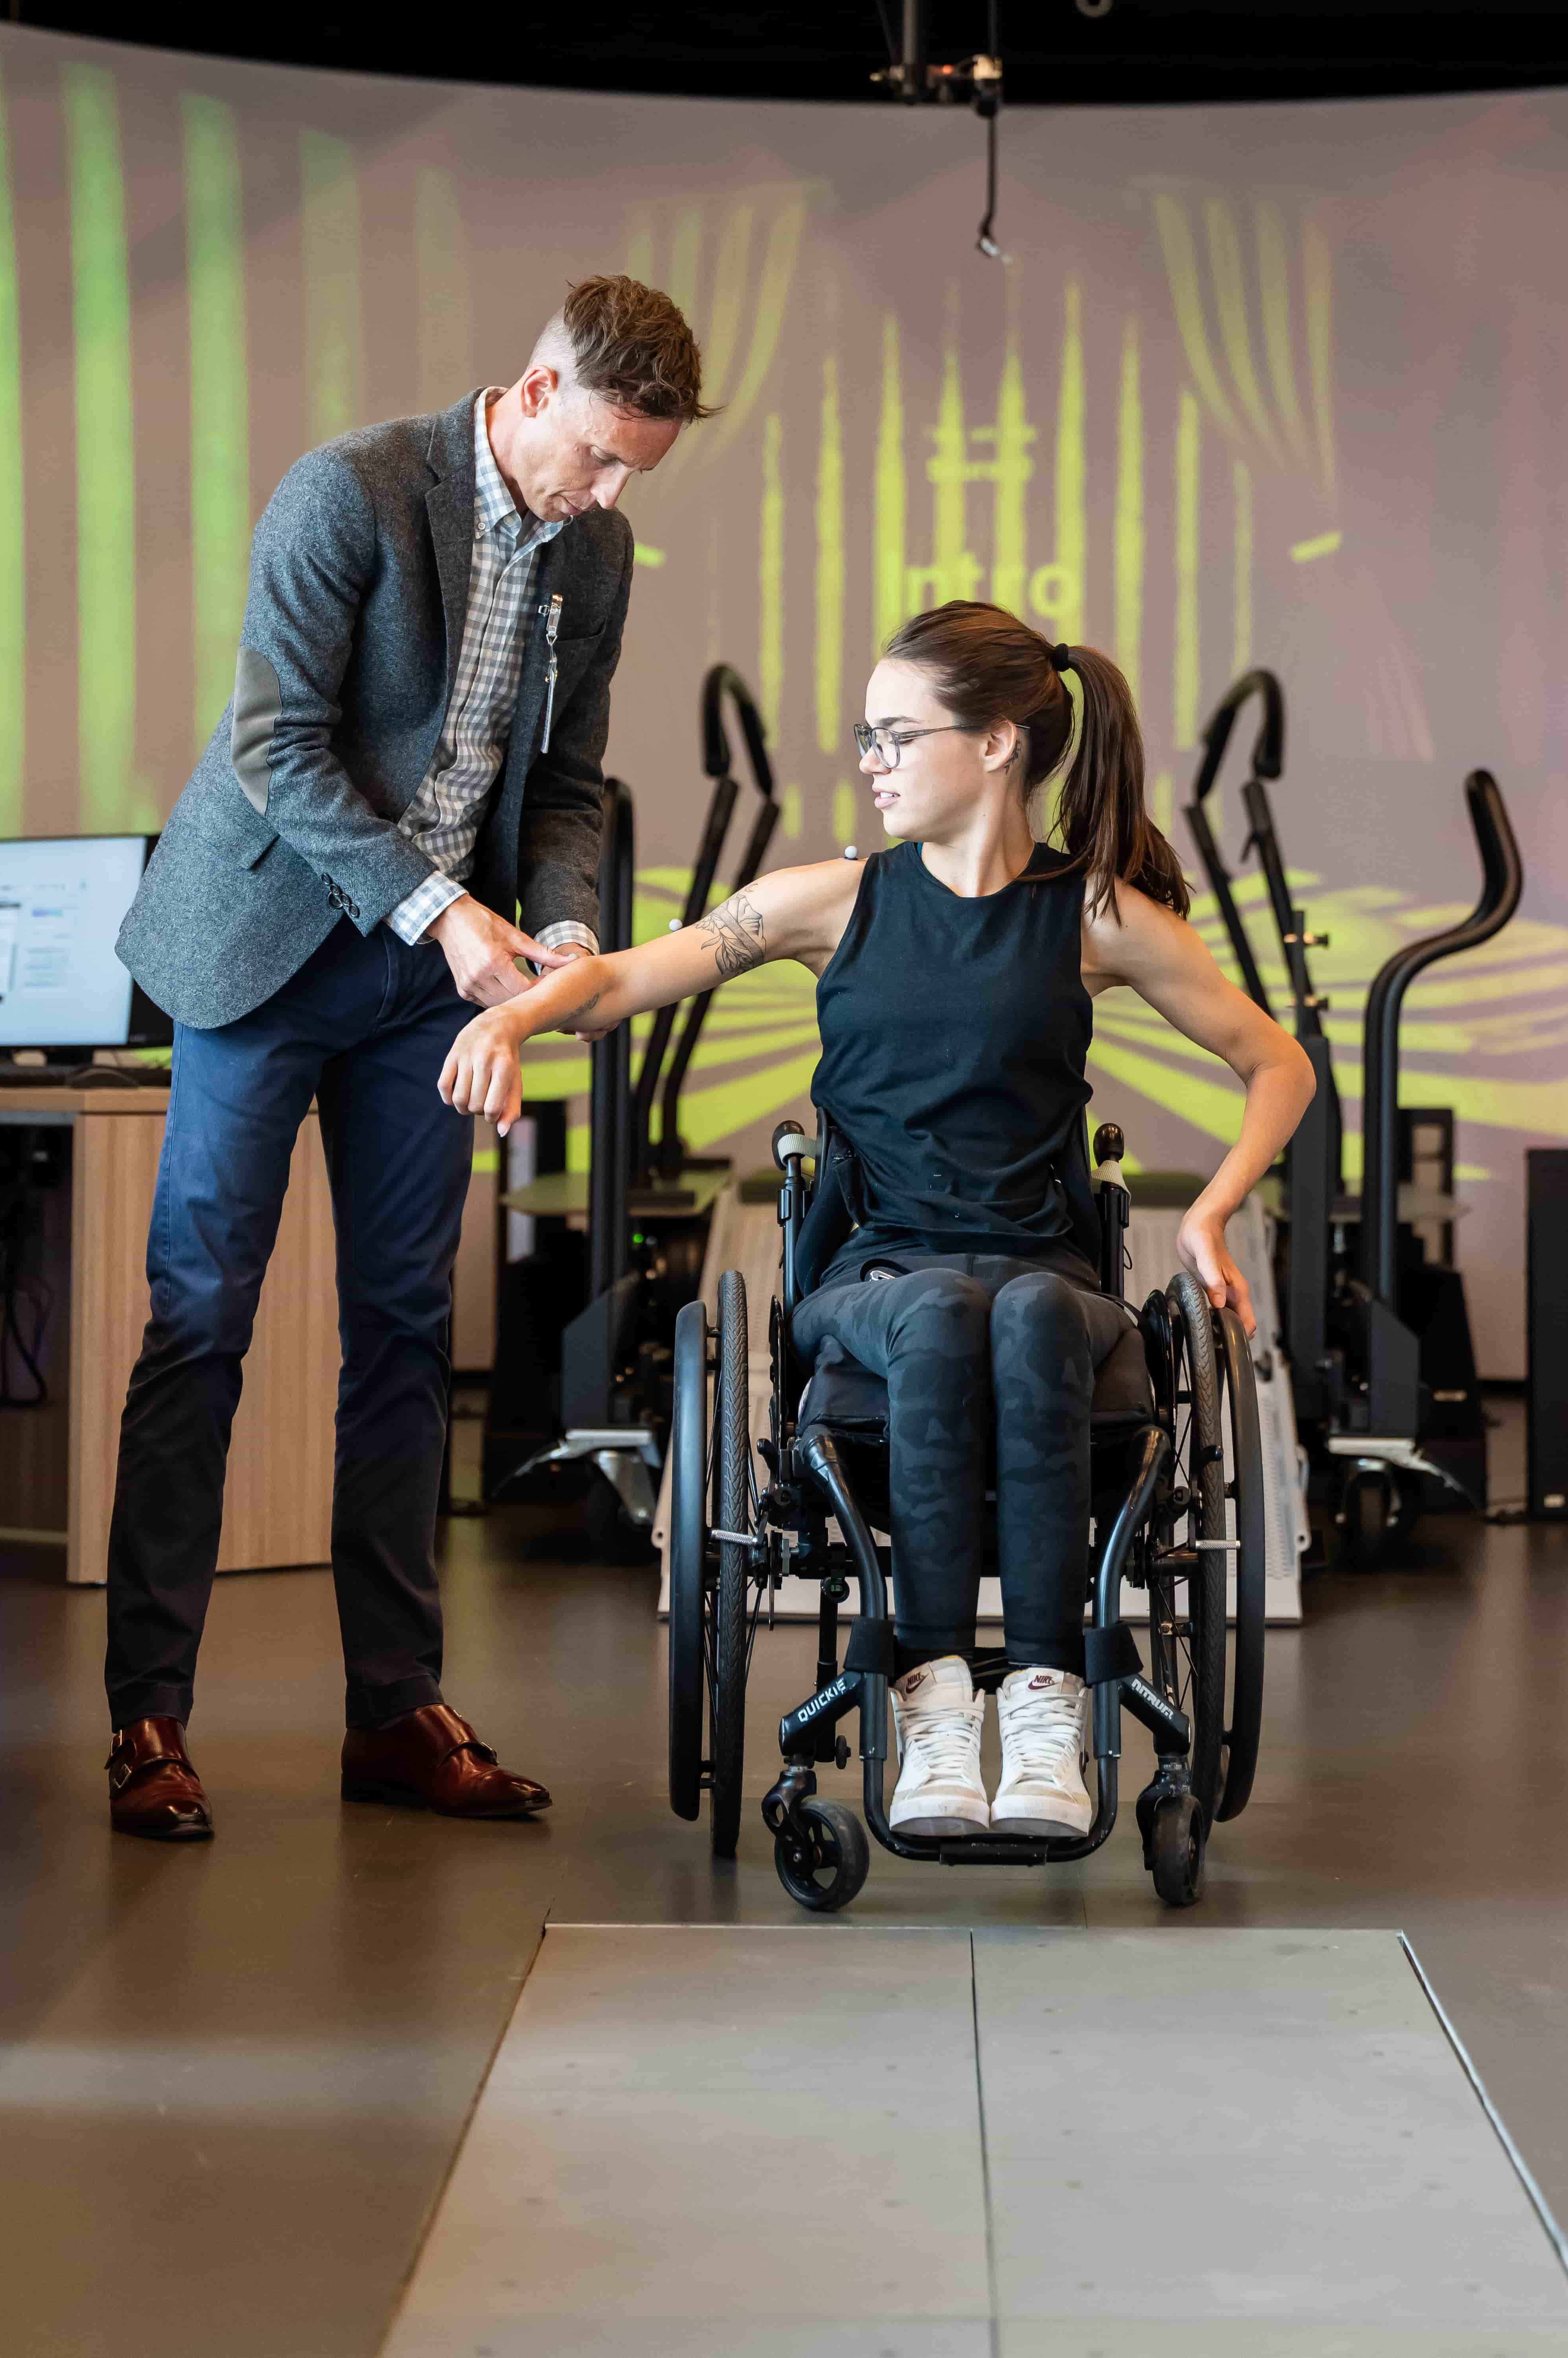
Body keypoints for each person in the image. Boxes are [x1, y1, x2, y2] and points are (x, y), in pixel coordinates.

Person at [438, 600, 1315, 1845]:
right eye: (867, 735)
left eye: (899, 734)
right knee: (950, 1303)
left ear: (1001, 743)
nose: (872, 760)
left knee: (1020, 1305)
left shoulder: (1096, 916)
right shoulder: (832, 900)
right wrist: (514, 1016)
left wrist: (1211, 1218)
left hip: (1046, 1272)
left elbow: (1277, 1063)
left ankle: (1053, 1705)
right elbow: (629, 977)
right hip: (874, 1275)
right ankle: (939, 1697)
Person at [102, 275, 710, 1841]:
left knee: (402, 1335)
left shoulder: (599, 551)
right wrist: (446, 916)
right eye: (599, 454)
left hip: (429, 986)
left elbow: (567, 782)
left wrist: (566, 933)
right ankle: (147, 1718)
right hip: (264, 957)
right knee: (202, 1321)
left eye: (639, 467)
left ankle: (394, 1713)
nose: (612, 492)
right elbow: (276, 747)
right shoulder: (352, 489)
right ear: (530, 390)